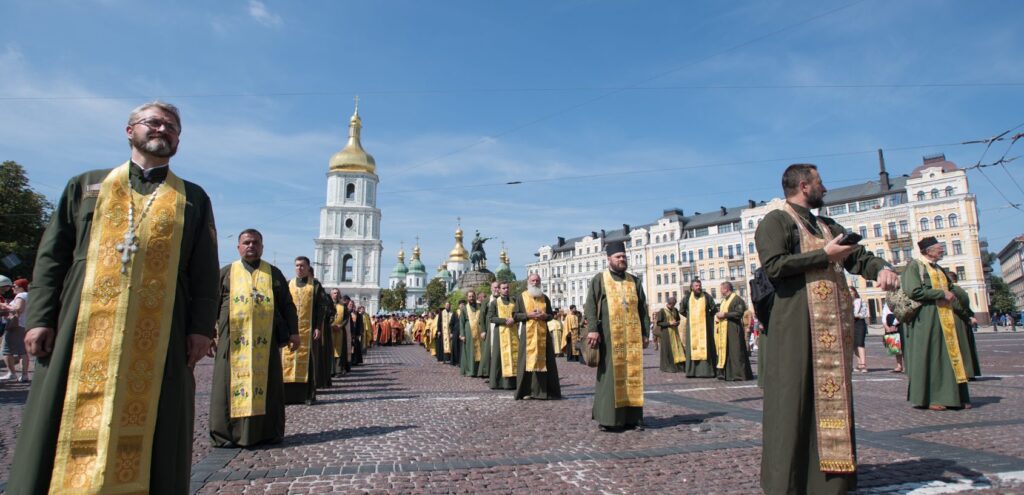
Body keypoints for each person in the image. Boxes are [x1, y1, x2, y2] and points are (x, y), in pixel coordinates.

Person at [9, 101, 220, 494]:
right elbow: (53, 255)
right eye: (153, 122)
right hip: (80, 325)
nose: (163, 130)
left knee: (159, 420)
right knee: (59, 417)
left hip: (160, 334)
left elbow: (205, 273)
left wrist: (200, 330)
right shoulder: (87, 185)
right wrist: (40, 316)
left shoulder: (192, 198)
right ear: (129, 131)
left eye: (172, 126)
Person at [755, 163, 898, 494]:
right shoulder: (776, 220)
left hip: (831, 329)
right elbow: (774, 267)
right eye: (820, 183)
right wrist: (824, 254)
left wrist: (881, 268)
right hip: (795, 325)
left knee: (830, 401)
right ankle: (787, 483)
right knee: (793, 401)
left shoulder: (825, 224)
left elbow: (856, 256)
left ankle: (830, 483)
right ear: (804, 186)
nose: (826, 188)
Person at [210, 229, 299, 448]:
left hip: (264, 343)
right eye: (247, 242)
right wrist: (206, 333)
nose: (251, 246)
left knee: (267, 385)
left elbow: (287, 305)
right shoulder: (227, 273)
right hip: (231, 341)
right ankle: (226, 433)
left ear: (262, 246)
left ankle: (266, 432)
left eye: (256, 243)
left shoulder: (273, 274)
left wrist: (294, 332)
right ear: (238, 247)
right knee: (226, 384)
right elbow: (210, 303)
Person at [584, 240, 650, 431]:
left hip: (632, 339)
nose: (622, 259)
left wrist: (645, 333)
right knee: (610, 377)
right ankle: (609, 419)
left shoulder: (634, 280)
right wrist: (593, 329)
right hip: (609, 336)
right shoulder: (600, 279)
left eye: (624, 256)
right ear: (609, 259)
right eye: (618, 257)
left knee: (633, 375)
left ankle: (633, 418)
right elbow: (590, 305)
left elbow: (642, 309)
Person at [902, 237, 971, 410]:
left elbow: (951, 292)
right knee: (934, 357)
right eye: (939, 248)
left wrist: (966, 313)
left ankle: (954, 396)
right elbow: (914, 291)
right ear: (929, 251)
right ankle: (933, 398)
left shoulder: (938, 268)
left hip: (944, 318)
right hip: (928, 319)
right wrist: (940, 293)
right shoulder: (915, 266)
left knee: (949, 357)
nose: (942, 250)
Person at [284, 256, 328, 405]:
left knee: (309, 361)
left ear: (308, 268)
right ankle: (288, 396)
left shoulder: (314, 285)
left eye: (302, 266)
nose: (299, 268)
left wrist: (318, 326)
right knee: (287, 361)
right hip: (291, 331)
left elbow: (321, 307)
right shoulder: (288, 284)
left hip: (308, 330)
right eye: (297, 265)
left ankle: (307, 395)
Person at [513, 274, 561, 400]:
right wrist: (528, 315)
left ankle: (544, 392)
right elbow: (515, 316)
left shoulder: (544, 297)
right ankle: (526, 391)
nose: (535, 282)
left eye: (537, 280)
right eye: (533, 280)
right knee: (526, 362)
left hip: (543, 335)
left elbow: (551, 315)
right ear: (528, 282)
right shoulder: (521, 297)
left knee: (546, 361)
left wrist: (545, 316)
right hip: (527, 335)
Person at [714, 281, 753, 381]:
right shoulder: (724, 300)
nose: (720, 291)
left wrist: (725, 315)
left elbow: (739, 313)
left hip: (733, 329)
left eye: (721, 288)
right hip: (724, 329)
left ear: (726, 289)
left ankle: (738, 374)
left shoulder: (737, 299)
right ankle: (727, 374)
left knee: (736, 351)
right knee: (726, 351)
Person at [680, 279, 718, 378]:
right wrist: (690, 317)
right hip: (692, 328)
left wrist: (707, 317)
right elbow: (682, 310)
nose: (699, 287)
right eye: (696, 286)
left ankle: (707, 371)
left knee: (707, 346)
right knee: (691, 347)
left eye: (699, 285)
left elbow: (714, 309)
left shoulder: (706, 296)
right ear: (692, 287)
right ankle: (692, 372)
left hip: (705, 328)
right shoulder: (687, 297)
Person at [488, 282, 519, 390]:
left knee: (515, 356)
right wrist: (504, 321)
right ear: (499, 290)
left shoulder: (514, 301)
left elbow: (518, 313)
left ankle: (514, 383)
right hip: (500, 333)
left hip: (513, 332)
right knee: (498, 357)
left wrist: (514, 319)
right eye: (503, 288)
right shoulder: (495, 303)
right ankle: (499, 383)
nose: (506, 290)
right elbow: (491, 317)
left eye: (507, 288)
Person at [0, 278, 30, 381]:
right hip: (23, 325)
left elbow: (18, 309)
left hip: (15, 326)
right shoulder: (28, 295)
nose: (12, 288)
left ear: (21, 287)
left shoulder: (21, 295)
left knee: (6, 351)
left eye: (14, 286)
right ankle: (24, 375)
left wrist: (4, 305)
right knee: (22, 351)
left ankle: (12, 374)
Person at [656, 295, 686, 373]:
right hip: (666, 334)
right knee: (668, 350)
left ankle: (679, 366)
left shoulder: (675, 310)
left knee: (678, 349)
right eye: (671, 304)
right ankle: (667, 366)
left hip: (675, 333)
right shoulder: (662, 311)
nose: (672, 306)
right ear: (668, 303)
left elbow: (678, 319)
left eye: (673, 304)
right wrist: (669, 323)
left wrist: (676, 323)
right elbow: (659, 323)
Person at [460, 290, 482, 377]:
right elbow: (461, 322)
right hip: (468, 332)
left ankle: (478, 370)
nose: (471, 298)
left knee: (479, 351)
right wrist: (462, 334)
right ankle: (470, 370)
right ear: (467, 298)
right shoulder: (464, 308)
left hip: (478, 332)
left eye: (472, 296)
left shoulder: (479, 307)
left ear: (475, 297)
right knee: (470, 351)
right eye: (469, 296)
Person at [330, 291, 349, 376]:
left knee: (338, 350)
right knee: (329, 350)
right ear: (331, 294)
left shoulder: (343, 306)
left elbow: (346, 318)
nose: (336, 294)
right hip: (329, 330)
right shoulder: (327, 304)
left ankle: (338, 370)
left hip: (339, 331)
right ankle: (330, 371)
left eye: (337, 293)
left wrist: (340, 326)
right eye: (334, 293)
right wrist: (331, 325)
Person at [880, 303, 904, 373]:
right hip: (889, 323)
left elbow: (901, 312)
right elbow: (884, 314)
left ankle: (906, 366)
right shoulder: (887, 303)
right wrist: (886, 327)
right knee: (895, 347)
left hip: (898, 323)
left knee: (903, 345)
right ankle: (899, 365)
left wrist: (894, 324)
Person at [851, 288, 869, 372]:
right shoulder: (846, 302)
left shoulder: (860, 301)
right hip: (851, 323)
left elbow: (865, 313)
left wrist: (857, 315)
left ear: (855, 292)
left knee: (860, 343)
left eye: (851, 291)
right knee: (854, 344)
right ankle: (859, 364)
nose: (850, 293)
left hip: (859, 322)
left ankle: (863, 365)